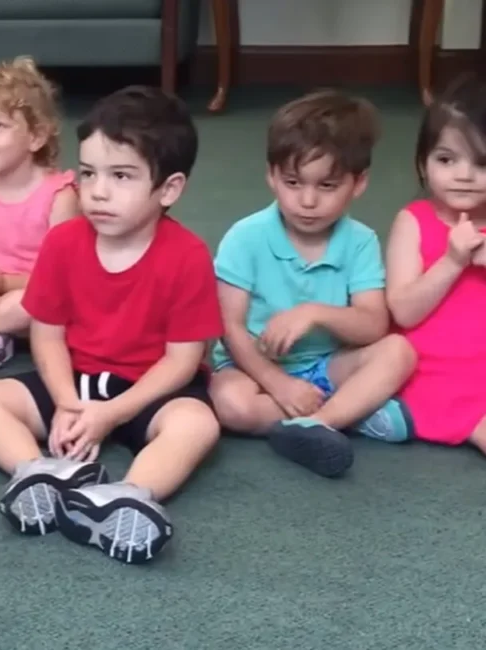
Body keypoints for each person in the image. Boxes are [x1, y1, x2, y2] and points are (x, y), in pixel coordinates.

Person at [0, 86, 222, 565]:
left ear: (169, 189)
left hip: (150, 391)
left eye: (121, 176)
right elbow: (47, 333)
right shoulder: (63, 243)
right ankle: (40, 472)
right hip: (75, 380)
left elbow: (183, 360)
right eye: (88, 174)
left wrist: (112, 413)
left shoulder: (188, 257)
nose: (98, 191)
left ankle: (124, 497)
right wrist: (66, 401)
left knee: (197, 424)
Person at [208, 90, 416, 479]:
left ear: (358, 183)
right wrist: (277, 383)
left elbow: (373, 324)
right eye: (292, 182)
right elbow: (229, 327)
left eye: (326, 186)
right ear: (271, 175)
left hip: (326, 365)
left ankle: (321, 423)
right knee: (231, 406)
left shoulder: (361, 241)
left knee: (399, 352)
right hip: (252, 367)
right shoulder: (245, 237)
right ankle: (353, 413)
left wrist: (315, 313)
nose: (306, 201)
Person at [0, 56, 79, 379]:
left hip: (35, 293)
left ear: (36, 137)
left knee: (26, 304)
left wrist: (3, 283)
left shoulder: (59, 197)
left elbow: (65, 278)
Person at [385, 74, 486, 452]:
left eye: (482, 163)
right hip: (437, 369)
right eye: (446, 159)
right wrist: (453, 261)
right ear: (424, 163)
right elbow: (404, 312)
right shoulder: (413, 221)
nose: (463, 175)